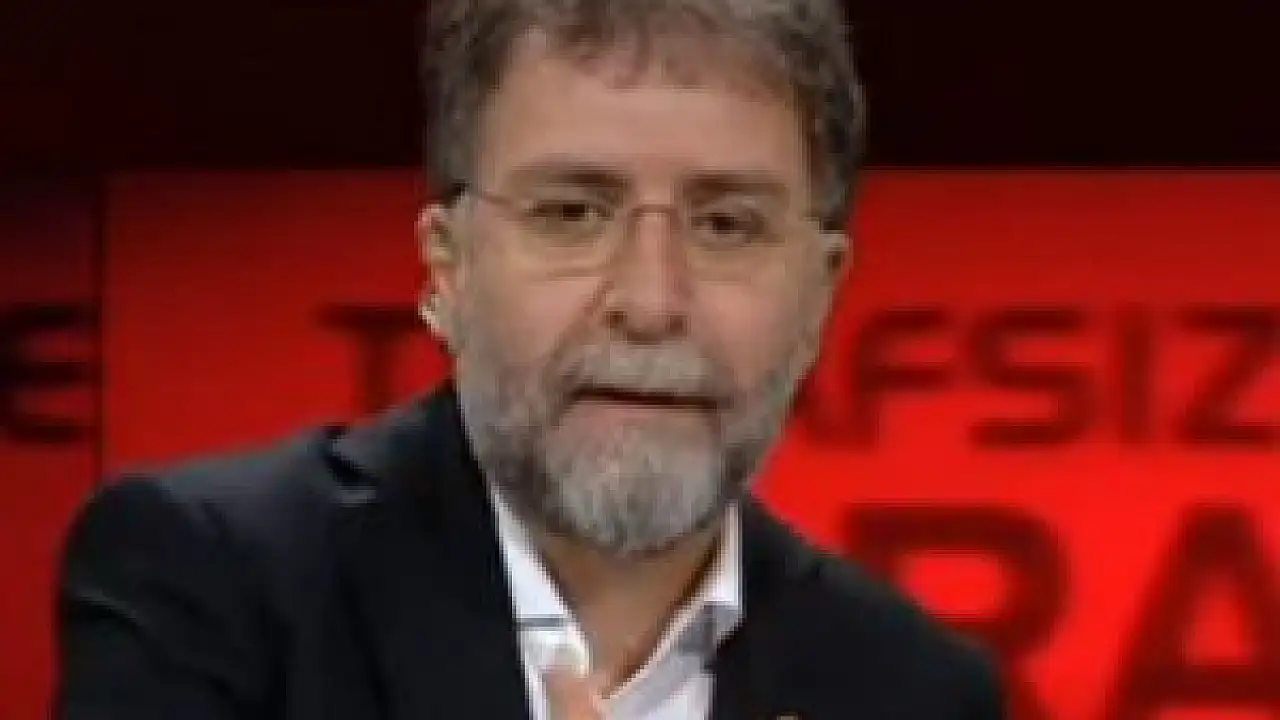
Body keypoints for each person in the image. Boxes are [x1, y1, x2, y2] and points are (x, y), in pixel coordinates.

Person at [56, 0, 1005, 718]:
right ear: (448, 269)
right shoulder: (211, 586)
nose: (650, 303)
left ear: (820, 295)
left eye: (726, 225)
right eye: (572, 213)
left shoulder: (913, 689)